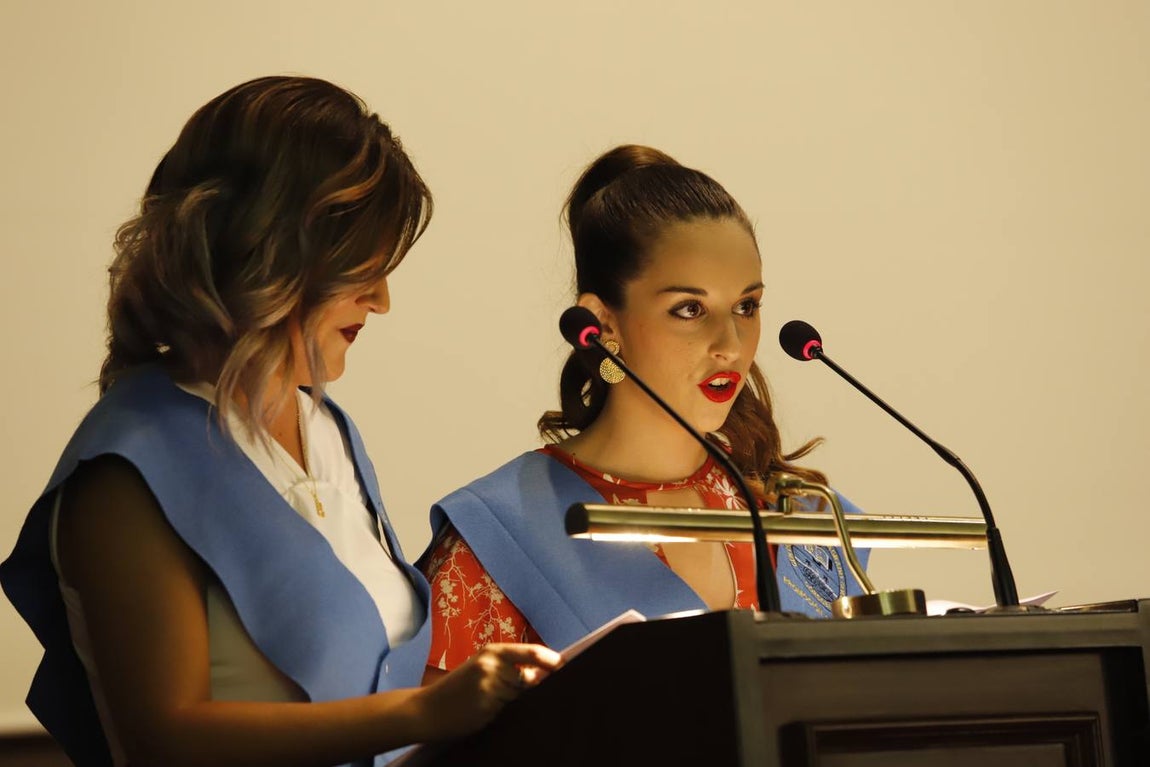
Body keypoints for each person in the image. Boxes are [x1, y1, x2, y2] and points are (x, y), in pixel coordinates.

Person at [0, 75, 559, 767]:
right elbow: (165, 739)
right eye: (364, 267)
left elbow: (365, 685)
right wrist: (425, 710)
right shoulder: (127, 470)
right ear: (273, 252)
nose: (382, 299)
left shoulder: (325, 428)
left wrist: (513, 688)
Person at [419, 144, 869, 676]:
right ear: (602, 323)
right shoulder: (495, 540)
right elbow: (438, 747)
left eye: (746, 306)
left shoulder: (796, 515)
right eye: (689, 309)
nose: (730, 344)